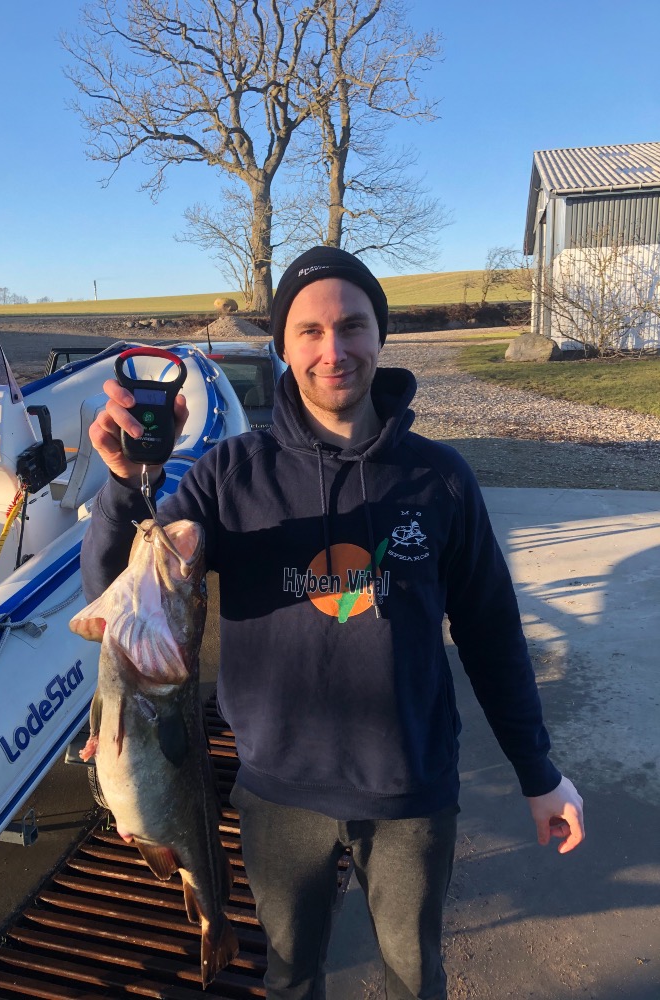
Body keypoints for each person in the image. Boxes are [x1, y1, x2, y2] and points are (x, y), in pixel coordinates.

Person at [81, 246, 585, 1000]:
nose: (333, 351)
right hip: (277, 792)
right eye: (309, 332)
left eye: (352, 326)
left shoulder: (441, 478)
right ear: (283, 347)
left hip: (410, 789)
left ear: (380, 336)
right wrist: (127, 484)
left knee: (415, 975)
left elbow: (492, 633)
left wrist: (538, 772)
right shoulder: (230, 474)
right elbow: (124, 597)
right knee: (291, 975)